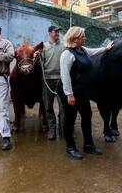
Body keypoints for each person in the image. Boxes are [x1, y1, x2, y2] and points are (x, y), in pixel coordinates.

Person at [57, 26, 114, 159]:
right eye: (83, 36)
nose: (85, 38)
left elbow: (93, 52)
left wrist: (105, 48)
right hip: (69, 92)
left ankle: (88, 145)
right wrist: (69, 95)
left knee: (87, 115)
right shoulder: (67, 54)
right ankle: (70, 148)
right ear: (75, 39)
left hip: (82, 91)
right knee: (70, 119)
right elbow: (65, 76)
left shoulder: (82, 50)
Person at [40, 25, 65, 140]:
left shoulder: (64, 46)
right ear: (50, 33)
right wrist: (37, 56)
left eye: (58, 32)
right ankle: (52, 129)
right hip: (47, 80)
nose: (57, 33)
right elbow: (40, 63)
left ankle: (63, 128)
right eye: (55, 31)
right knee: (48, 106)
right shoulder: (44, 47)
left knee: (63, 106)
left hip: (61, 80)